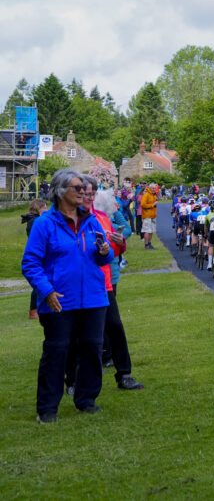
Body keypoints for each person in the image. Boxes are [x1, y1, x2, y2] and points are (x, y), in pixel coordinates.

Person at [21, 169, 114, 423]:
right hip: (59, 300)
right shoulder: (44, 224)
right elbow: (30, 263)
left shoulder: (92, 221)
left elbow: (104, 258)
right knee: (57, 352)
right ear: (61, 191)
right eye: (78, 188)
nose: (84, 192)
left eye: (84, 188)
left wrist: (105, 251)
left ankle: (86, 400)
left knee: (92, 350)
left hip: (94, 299)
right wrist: (47, 291)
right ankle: (47, 409)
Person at [67, 178, 143, 392]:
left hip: (103, 283)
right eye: (84, 193)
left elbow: (112, 252)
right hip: (78, 283)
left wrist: (120, 244)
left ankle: (124, 374)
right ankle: (72, 380)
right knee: (76, 333)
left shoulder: (101, 218)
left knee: (115, 327)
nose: (88, 198)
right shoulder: (69, 219)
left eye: (92, 194)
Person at [22, 198, 48, 319]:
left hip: (41, 253)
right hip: (39, 254)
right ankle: (34, 310)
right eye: (44, 207)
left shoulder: (35, 220)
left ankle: (39, 308)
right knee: (39, 281)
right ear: (38, 208)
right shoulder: (35, 221)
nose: (46, 209)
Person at [139, 183, 159, 249]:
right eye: (153, 188)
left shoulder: (153, 195)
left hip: (153, 215)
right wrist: (152, 205)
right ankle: (146, 245)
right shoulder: (146, 194)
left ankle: (149, 244)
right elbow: (143, 204)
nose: (154, 189)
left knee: (151, 230)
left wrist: (154, 204)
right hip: (147, 215)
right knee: (147, 230)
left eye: (155, 188)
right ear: (150, 188)